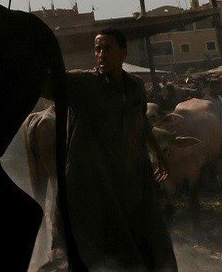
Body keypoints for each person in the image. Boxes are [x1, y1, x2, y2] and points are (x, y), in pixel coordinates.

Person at [42, 28, 177, 271]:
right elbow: (47, 85)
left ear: (123, 52)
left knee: (142, 242)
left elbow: (142, 124)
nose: (101, 54)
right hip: (88, 184)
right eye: (97, 49)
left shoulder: (135, 87)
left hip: (126, 180)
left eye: (107, 48)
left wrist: (158, 155)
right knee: (84, 249)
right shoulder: (83, 83)